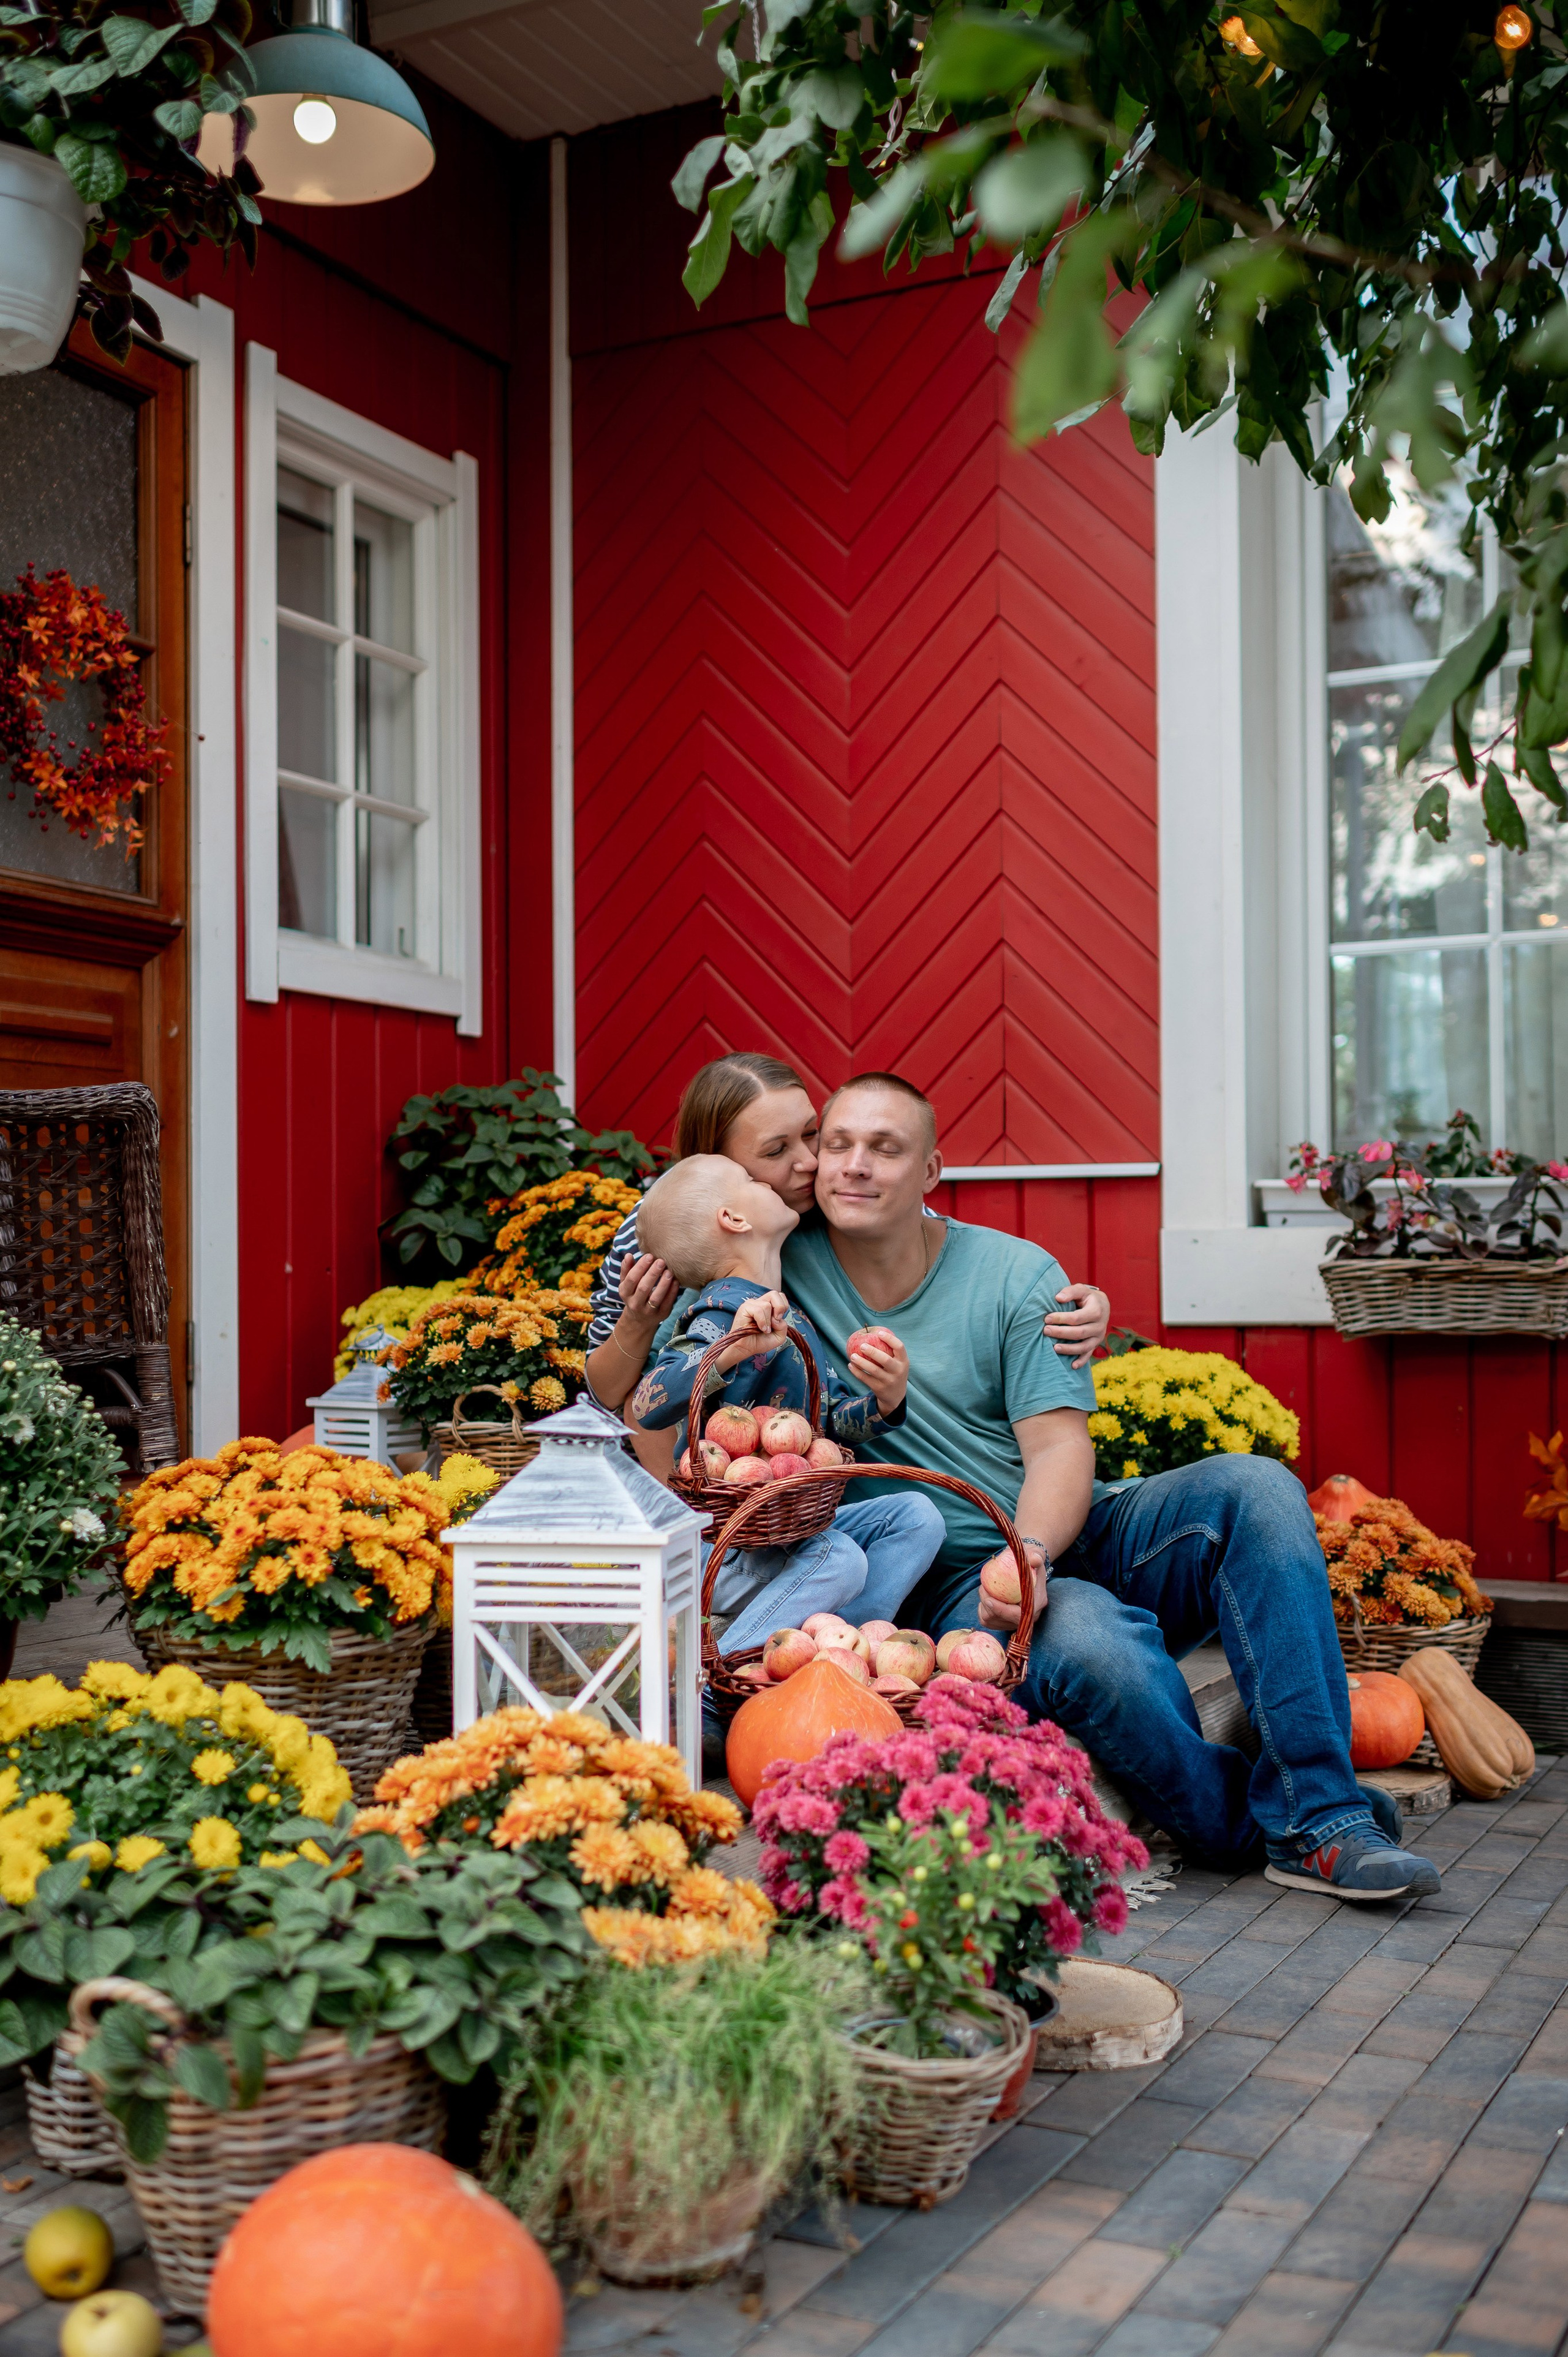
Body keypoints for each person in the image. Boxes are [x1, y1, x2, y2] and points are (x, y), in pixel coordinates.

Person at [779, 1070, 1442, 1904]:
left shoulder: (1014, 1273)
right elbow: (691, 1206)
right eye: (837, 1143)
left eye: (885, 1147)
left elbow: (1059, 1451)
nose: (855, 1165)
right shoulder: (780, 1263)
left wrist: (1030, 1554)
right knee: (1092, 1646)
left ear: (932, 1171)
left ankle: (1324, 1815)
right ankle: (1266, 1824)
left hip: (1069, 1531)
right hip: (950, 1588)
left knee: (1259, 1488)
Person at [583, 1051, 1112, 1437]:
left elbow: (937, 1245)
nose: (812, 1161)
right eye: (777, 1150)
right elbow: (617, 1396)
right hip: (683, 1466)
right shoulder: (665, 1225)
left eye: (812, 1134)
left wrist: (1067, 1299)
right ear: (718, 1168)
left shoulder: (825, 1195)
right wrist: (640, 1317)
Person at [627, 1154, 944, 1653]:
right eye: (752, 1178)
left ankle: (841, 1655)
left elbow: (830, 1425)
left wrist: (885, 1399)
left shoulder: (788, 1312)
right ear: (734, 1219)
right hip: (731, 1541)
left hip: (791, 1522)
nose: (767, 1180)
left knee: (918, 1515)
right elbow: (649, 1403)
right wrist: (730, 1348)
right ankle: (725, 1673)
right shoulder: (721, 1308)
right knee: (841, 1557)